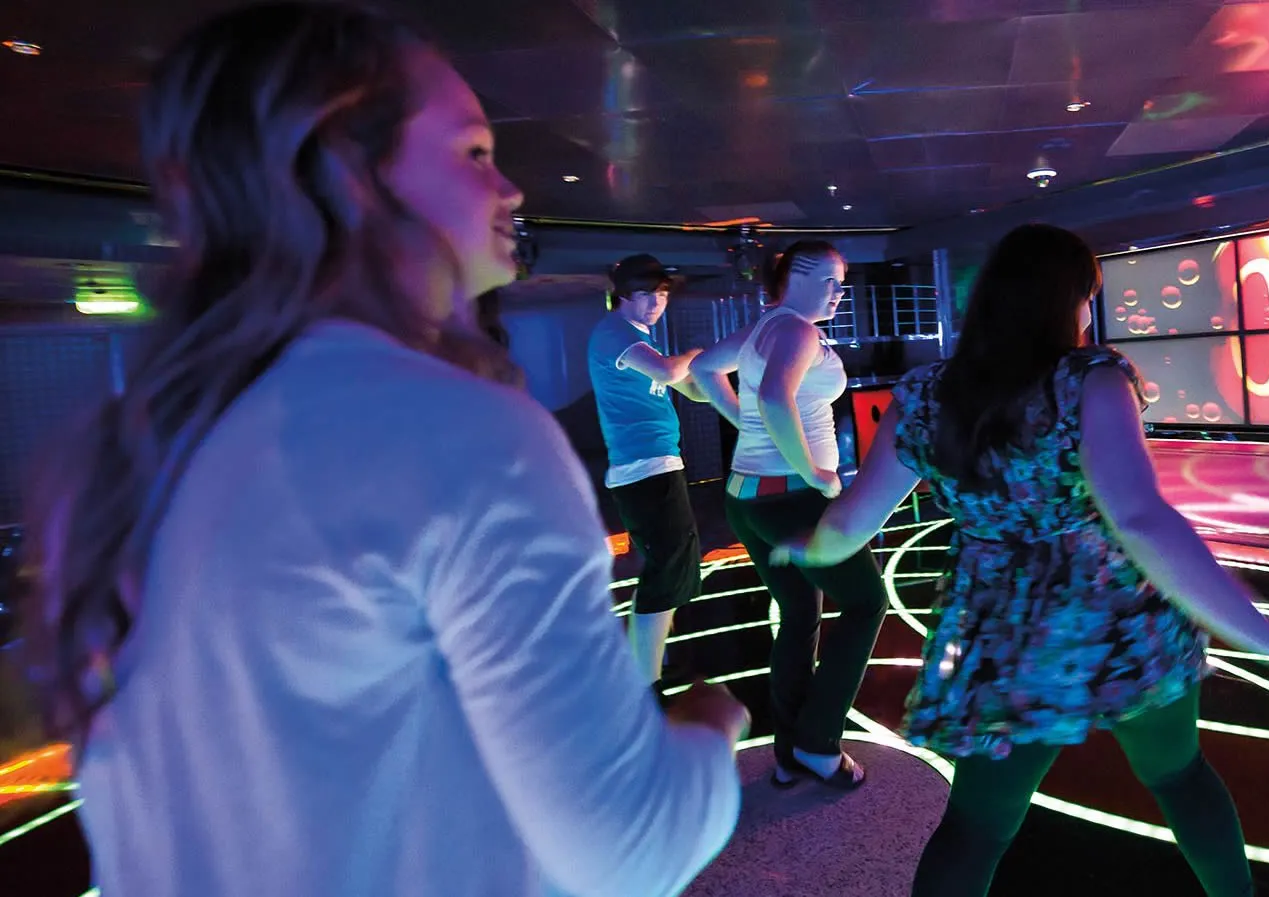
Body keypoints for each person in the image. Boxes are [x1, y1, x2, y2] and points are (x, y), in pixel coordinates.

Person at [19, 5, 746, 897]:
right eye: (474, 152)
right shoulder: (460, 432)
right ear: (347, 173)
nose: (512, 190)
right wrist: (710, 724)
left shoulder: (153, 443)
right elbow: (634, 851)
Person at [776, 224, 1269, 897]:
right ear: (1068, 300)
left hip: (1001, 635)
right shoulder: (1090, 378)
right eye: (1087, 296)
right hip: (1119, 621)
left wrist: (807, 548)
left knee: (976, 827)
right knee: (1178, 776)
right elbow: (1139, 519)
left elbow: (851, 523)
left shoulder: (926, 394)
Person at [689, 240, 888, 790]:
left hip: (747, 497)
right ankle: (817, 743)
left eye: (840, 282)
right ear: (793, 278)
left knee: (800, 614)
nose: (838, 292)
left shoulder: (765, 328)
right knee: (867, 603)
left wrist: (743, 421)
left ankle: (789, 753)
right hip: (790, 496)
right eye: (829, 280)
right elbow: (775, 399)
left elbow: (705, 368)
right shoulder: (797, 331)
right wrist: (815, 472)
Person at [589, 253, 709, 686]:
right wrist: (699, 355)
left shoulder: (639, 339)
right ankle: (646, 681)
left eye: (661, 294)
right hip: (645, 468)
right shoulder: (614, 333)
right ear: (623, 295)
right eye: (645, 294)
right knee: (669, 568)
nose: (656, 303)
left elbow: (693, 391)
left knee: (669, 566)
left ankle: (647, 668)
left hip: (655, 465)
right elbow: (669, 371)